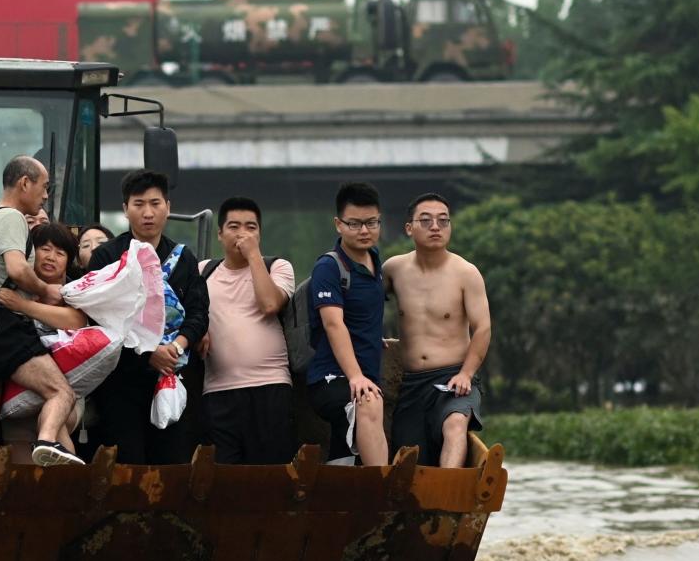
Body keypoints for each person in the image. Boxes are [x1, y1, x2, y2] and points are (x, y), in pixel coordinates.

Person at [0, 155, 80, 467]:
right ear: (25, 183)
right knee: (61, 393)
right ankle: (48, 442)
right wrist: (44, 290)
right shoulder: (11, 217)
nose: (46, 195)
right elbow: (17, 269)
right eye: (44, 187)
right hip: (4, 326)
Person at [87, 169, 209, 465]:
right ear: (125, 209)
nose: (148, 213)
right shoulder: (107, 256)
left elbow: (199, 312)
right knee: (127, 464)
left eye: (155, 203)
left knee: (173, 463)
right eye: (139, 204)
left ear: (168, 207)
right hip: (122, 380)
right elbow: (99, 320)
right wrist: (147, 353)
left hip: (172, 376)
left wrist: (176, 347)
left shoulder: (184, 258)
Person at [384, 193, 491, 467]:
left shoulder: (466, 273)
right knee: (408, 457)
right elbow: (364, 306)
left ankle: (448, 501)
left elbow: (482, 328)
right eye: (427, 220)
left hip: (452, 378)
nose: (436, 227)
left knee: (455, 425)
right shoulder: (393, 269)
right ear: (409, 228)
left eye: (443, 221)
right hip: (411, 383)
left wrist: (466, 373)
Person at [196, 197, 296, 465]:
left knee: (271, 477)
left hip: (270, 386)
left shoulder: (278, 267)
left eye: (251, 227)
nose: (242, 234)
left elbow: (269, 304)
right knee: (223, 480)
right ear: (219, 234)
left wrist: (253, 255)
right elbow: (183, 318)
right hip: (218, 392)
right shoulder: (203, 272)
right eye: (234, 226)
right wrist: (198, 330)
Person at [308, 182, 388, 467]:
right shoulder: (329, 267)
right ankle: (383, 491)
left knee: (345, 445)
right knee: (368, 404)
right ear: (338, 224)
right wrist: (355, 377)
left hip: (365, 377)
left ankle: (340, 502)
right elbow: (334, 325)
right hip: (332, 378)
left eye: (371, 223)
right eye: (354, 224)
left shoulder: (376, 262)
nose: (364, 231)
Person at [0, 222, 89, 464]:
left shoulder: (75, 291)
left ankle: (70, 494)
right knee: (24, 482)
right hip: (16, 397)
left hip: (65, 394)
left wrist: (24, 306)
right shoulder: (14, 286)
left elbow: (76, 321)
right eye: (45, 249)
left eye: (60, 252)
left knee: (53, 424)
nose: (51, 257)